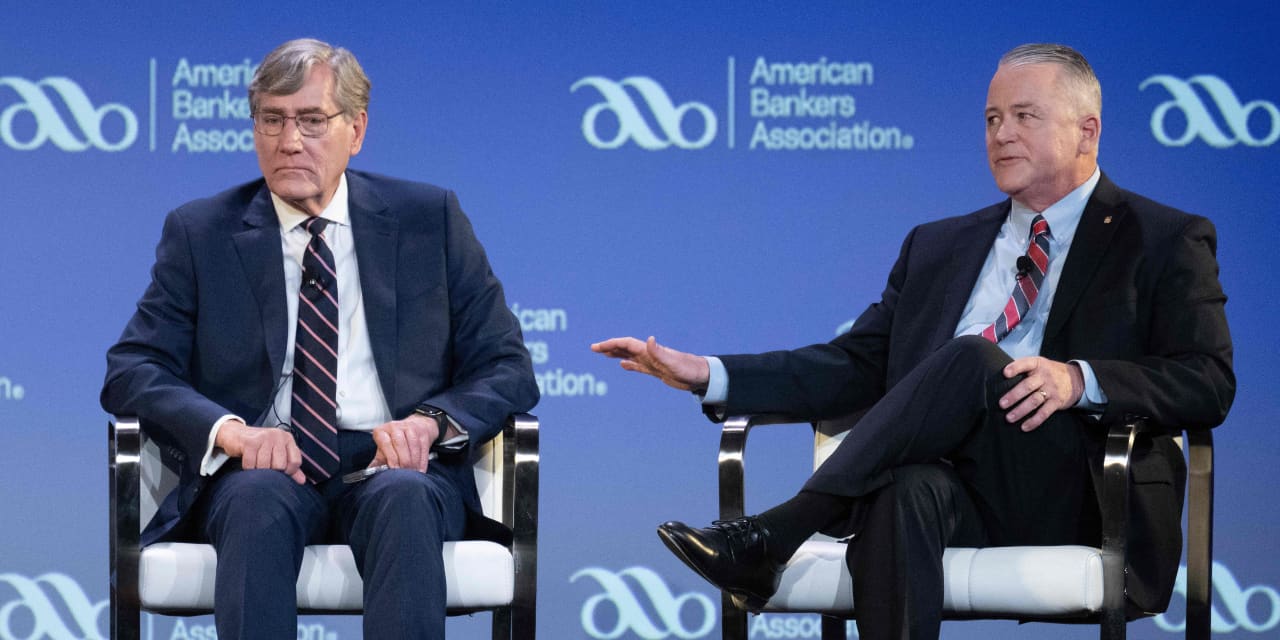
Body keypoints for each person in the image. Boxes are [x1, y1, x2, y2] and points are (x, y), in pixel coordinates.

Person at [593, 43, 1233, 639]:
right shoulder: (938, 245)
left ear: (1087, 131)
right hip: (952, 487)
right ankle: (773, 539)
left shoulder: (1161, 238)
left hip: (1082, 490)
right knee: (903, 492)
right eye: (991, 119)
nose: (1001, 134)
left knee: (973, 359)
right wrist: (710, 373)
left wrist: (1079, 380)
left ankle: (778, 532)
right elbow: (857, 363)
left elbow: (1208, 380)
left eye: (1024, 116)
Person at [101, 38, 538, 639]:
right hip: (261, 467)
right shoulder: (202, 233)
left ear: (356, 130)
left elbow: (508, 366)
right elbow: (133, 369)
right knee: (254, 499)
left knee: (404, 498)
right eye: (272, 120)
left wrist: (431, 423)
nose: (289, 141)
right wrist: (231, 433)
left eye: (311, 120)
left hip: (395, 465)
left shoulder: (428, 219)